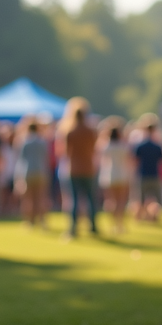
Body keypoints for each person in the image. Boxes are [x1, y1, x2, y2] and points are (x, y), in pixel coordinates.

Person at [58, 98, 98, 237]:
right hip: (88, 168)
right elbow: (93, 150)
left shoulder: (69, 132)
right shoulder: (90, 131)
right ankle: (93, 226)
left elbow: (64, 153)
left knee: (73, 200)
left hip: (73, 169)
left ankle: (73, 228)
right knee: (90, 199)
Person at [97, 119, 131, 234]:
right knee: (121, 201)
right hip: (121, 174)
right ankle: (120, 224)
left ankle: (113, 224)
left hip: (109, 175)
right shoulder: (123, 146)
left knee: (110, 201)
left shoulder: (106, 146)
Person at [15, 119, 50, 229]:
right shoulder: (42, 141)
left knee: (28, 198)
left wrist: (18, 177)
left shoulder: (24, 141)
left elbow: (21, 159)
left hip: (28, 172)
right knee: (40, 197)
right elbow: (46, 157)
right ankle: (42, 220)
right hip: (41, 172)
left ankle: (29, 221)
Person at [134, 119, 162, 223]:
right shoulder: (157, 146)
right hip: (154, 174)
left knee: (141, 198)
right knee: (157, 198)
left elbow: (136, 161)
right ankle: (154, 216)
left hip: (143, 174)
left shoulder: (140, 146)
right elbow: (161, 162)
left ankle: (141, 216)